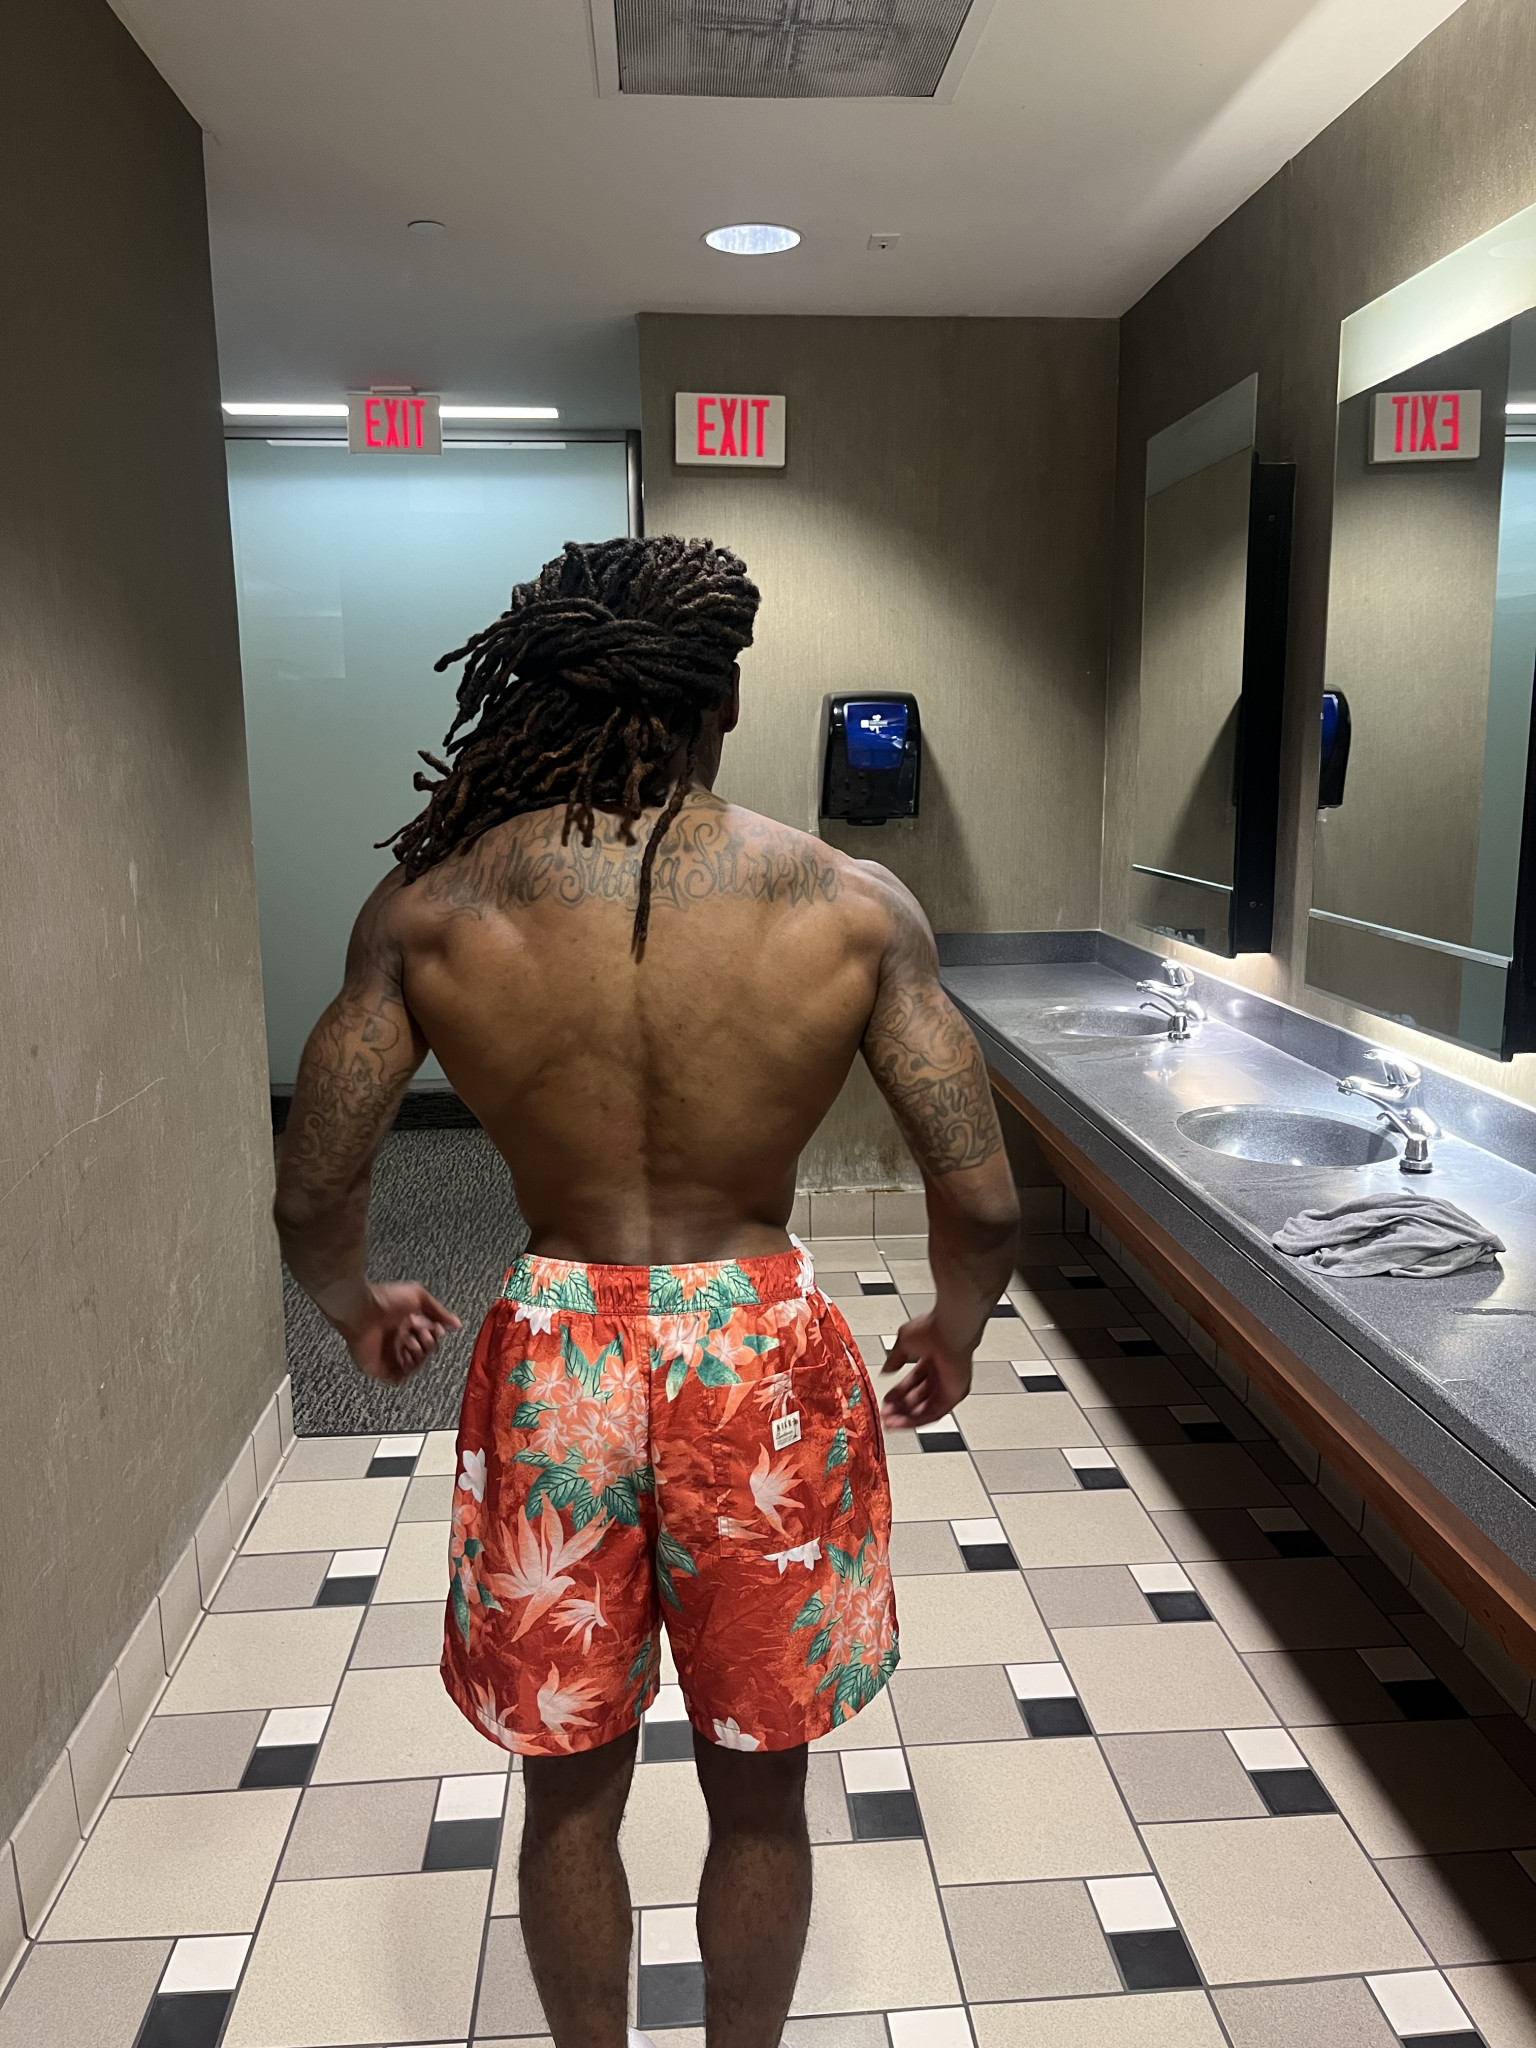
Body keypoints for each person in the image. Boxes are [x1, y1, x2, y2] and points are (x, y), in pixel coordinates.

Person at [274, 535, 1020, 2048]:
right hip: (761, 1366)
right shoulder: (853, 904)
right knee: (760, 1794)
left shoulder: (430, 908)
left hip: (557, 1361)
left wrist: (355, 1306)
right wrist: (953, 1325)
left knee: (569, 1796)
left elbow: (310, 1191)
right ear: (722, 702)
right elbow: (987, 1200)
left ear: (542, 691)